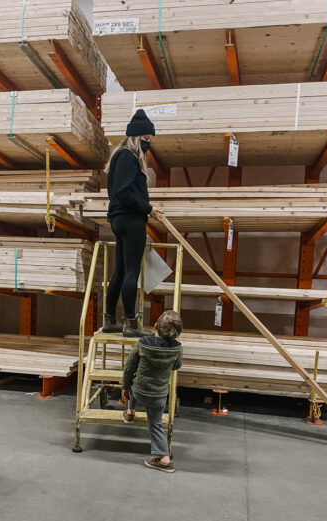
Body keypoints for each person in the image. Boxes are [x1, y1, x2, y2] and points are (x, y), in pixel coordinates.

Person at [102, 109, 164, 337]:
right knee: (131, 272)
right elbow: (125, 192)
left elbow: (120, 191)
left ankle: (110, 320)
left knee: (119, 271)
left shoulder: (120, 155)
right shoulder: (128, 156)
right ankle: (131, 323)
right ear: (137, 137)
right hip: (130, 220)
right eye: (146, 139)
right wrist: (148, 208)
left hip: (119, 218)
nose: (148, 144)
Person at [122, 310, 183, 473]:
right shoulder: (177, 348)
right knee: (155, 424)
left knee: (135, 383)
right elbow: (177, 366)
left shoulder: (143, 343)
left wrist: (125, 386)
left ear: (155, 326)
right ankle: (164, 458)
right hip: (159, 395)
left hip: (139, 391)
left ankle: (130, 412)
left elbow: (129, 367)